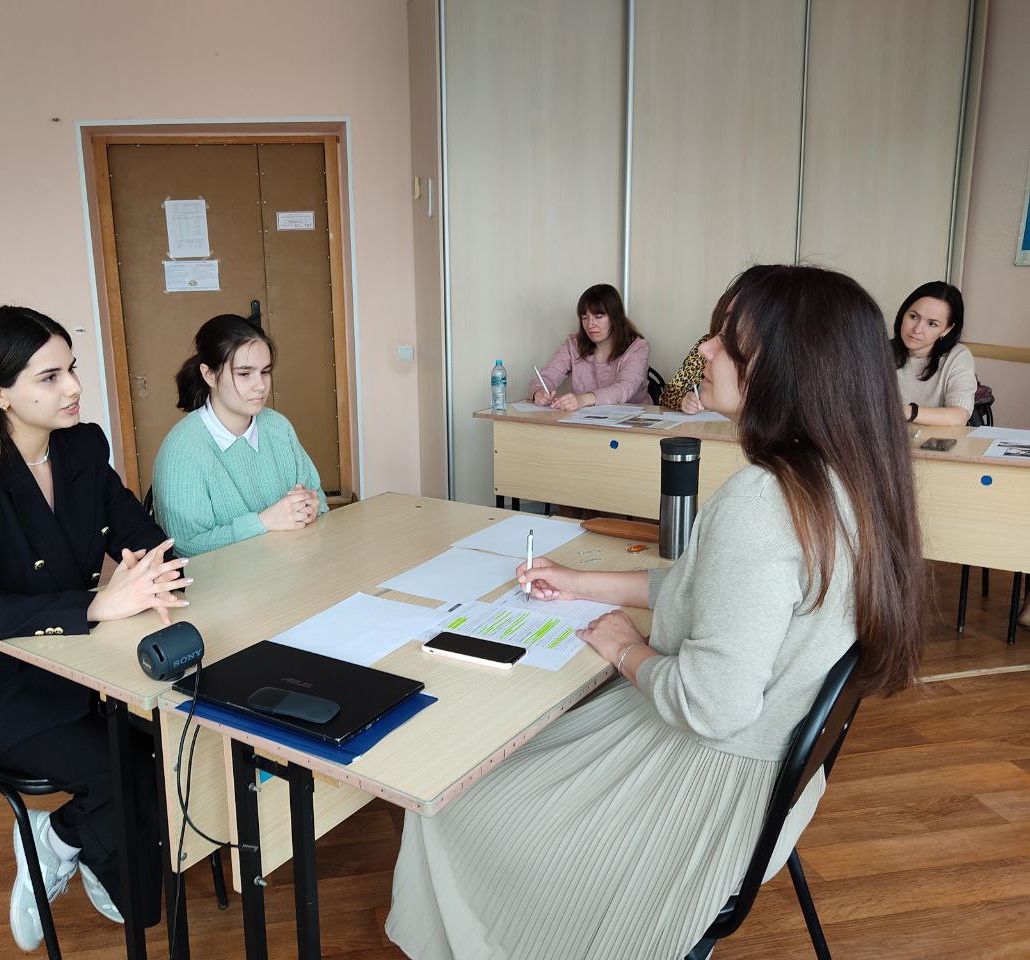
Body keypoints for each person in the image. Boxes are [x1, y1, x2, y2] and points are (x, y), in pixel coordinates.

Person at [385, 265, 926, 960]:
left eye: (727, 338)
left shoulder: (763, 504)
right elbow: (714, 592)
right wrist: (583, 584)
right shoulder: (846, 481)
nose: (705, 348)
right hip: (774, 780)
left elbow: (711, 703)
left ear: (785, 367)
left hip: (708, 788)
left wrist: (623, 649)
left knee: (445, 804)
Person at [0, 306, 188, 951]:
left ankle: (66, 839)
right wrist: (94, 605)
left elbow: (143, 538)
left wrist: (154, 571)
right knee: (121, 771)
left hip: (83, 669)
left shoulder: (82, 447)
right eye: (50, 377)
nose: (74, 387)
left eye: (71, 369)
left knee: (173, 744)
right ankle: (61, 844)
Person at [152, 313, 327, 557]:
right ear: (209, 375)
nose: (261, 386)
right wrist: (263, 522)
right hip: (227, 578)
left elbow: (319, 499)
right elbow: (185, 546)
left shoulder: (278, 426)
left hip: (289, 564)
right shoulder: (183, 448)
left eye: (265, 372)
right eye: (245, 374)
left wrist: (311, 507)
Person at [528, 283, 650, 411]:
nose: (590, 324)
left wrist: (582, 399)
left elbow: (624, 388)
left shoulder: (638, 347)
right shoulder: (574, 344)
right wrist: (538, 392)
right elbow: (547, 375)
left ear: (615, 317)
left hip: (632, 419)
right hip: (585, 420)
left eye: (598, 317)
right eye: (585, 318)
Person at [891, 281, 976, 426]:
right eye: (913, 317)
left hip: (934, 440)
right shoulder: (879, 351)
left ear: (947, 329)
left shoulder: (957, 356)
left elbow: (959, 416)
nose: (917, 329)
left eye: (932, 324)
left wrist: (907, 412)